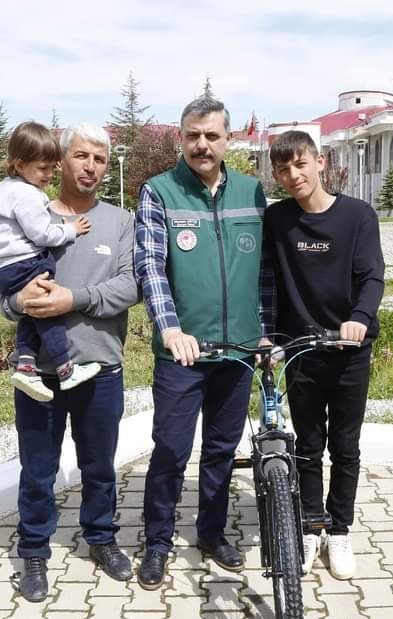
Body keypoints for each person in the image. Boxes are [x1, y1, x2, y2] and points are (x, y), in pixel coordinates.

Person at [0, 123, 139, 602]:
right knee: (38, 468)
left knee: (99, 466)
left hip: (100, 368)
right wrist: (20, 303)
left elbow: (130, 287)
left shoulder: (120, 222)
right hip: (38, 373)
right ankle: (34, 551)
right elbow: (3, 291)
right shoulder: (30, 212)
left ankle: (100, 538)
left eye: (99, 159)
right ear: (61, 160)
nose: (91, 167)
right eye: (82, 156)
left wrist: (71, 299)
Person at [134, 96, 271, 590]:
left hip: (238, 351)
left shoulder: (254, 193)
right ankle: (156, 543)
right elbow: (150, 267)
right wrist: (171, 329)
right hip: (182, 352)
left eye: (212, 135)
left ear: (227, 140)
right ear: (181, 137)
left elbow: (266, 272)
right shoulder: (160, 192)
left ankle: (211, 533)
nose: (202, 144)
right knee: (170, 449)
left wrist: (265, 331)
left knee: (220, 448)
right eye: (193, 135)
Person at [263, 130, 385, 580]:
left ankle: (340, 530)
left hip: (350, 349)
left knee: (345, 447)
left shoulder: (357, 216)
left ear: (319, 162)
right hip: (302, 350)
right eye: (283, 169)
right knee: (308, 447)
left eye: (300, 164)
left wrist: (358, 317)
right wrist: (267, 335)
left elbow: (373, 276)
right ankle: (310, 526)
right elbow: (265, 278)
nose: (293, 175)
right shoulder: (277, 220)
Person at [0, 121, 102, 403]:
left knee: (33, 311)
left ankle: (25, 364)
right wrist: (70, 230)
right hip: (23, 261)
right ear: (20, 165)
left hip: (1, 268)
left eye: (52, 167)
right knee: (47, 307)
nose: (49, 174)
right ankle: (65, 368)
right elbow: (41, 233)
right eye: (43, 168)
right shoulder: (27, 194)